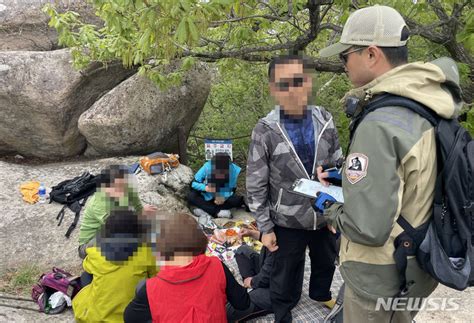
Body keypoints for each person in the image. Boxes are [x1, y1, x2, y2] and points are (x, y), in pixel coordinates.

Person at [314, 5, 462, 322]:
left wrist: (330, 206)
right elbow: (412, 177)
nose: (343, 65)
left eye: (345, 56)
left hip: (380, 274)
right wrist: (346, 179)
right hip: (417, 262)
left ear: (371, 54)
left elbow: (368, 228)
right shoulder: (427, 103)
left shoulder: (379, 123)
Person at [246, 54, 343, 322]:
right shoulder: (266, 129)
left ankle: (321, 293)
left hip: (323, 214)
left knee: (326, 260)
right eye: (284, 84)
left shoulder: (324, 119)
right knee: (285, 269)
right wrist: (265, 227)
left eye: (299, 81)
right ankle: (282, 307)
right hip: (286, 217)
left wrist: (336, 209)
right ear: (273, 88)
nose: (293, 90)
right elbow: (255, 183)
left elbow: (338, 162)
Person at [123, 212, 251, 322]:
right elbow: (243, 303)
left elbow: (130, 318)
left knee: (141, 287)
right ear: (199, 240)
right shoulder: (216, 265)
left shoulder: (151, 287)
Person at [72, 208, 157, 322]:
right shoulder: (146, 252)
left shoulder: (96, 252)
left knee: (86, 275)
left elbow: (86, 266)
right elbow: (157, 276)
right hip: (129, 317)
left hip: (95, 318)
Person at [78, 165, 157, 258]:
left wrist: (143, 211)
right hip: (91, 243)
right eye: (116, 187)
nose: (122, 191)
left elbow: (139, 209)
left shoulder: (127, 189)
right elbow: (117, 227)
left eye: (123, 185)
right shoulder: (99, 204)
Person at [226, 228, 274, 322]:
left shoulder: (286, 243)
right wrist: (253, 233)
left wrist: (252, 281)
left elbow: (267, 275)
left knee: (227, 312)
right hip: (266, 270)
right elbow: (269, 237)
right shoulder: (277, 225)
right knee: (242, 250)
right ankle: (250, 286)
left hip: (276, 290)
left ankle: (251, 291)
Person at [188, 152, 245, 219]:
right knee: (191, 196)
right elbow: (193, 183)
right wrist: (205, 188)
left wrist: (224, 198)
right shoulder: (207, 167)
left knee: (237, 200)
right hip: (206, 195)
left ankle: (206, 210)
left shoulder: (232, 170)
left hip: (221, 196)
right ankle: (217, 212)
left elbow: (232, 189)